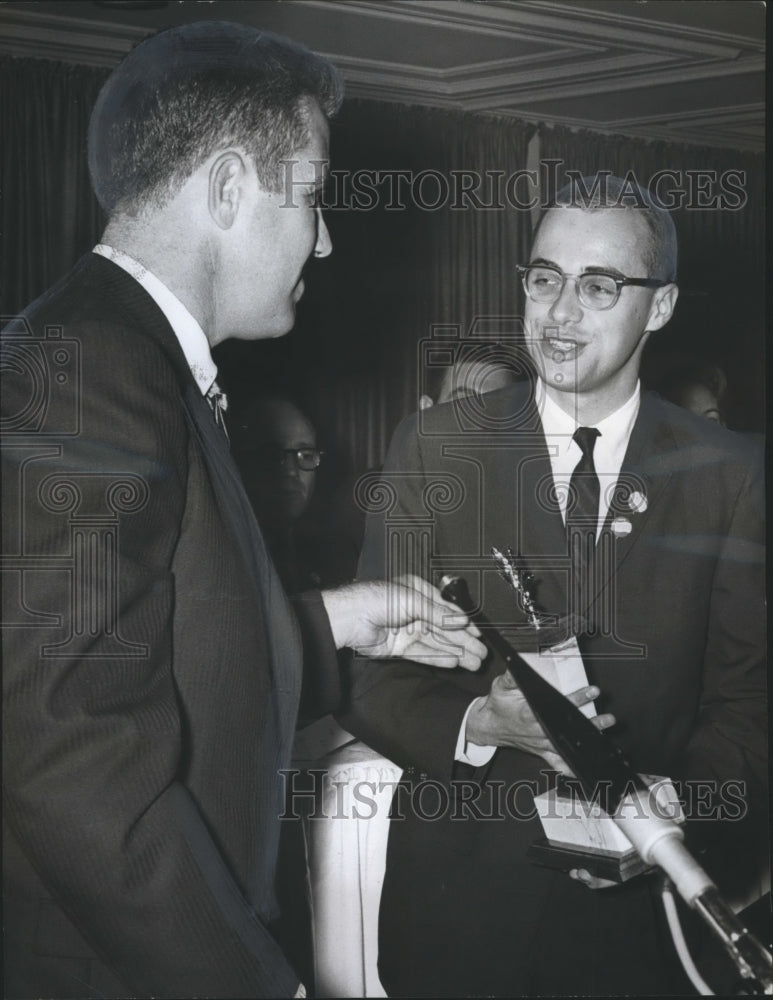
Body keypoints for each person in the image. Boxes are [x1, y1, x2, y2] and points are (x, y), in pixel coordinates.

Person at [0, 22, 486, 999]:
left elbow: (159, 655)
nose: (327, 235)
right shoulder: (96, 367)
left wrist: (335, 617)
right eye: (312, 196)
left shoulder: (126, 358)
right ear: (227, 189)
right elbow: (68, 743)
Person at [340, 175, 767, 996]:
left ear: (662, 305)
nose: (560, 312)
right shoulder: (435, 447)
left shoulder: (732, 473)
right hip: (463, 923)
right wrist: (476, 721)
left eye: (598, 285)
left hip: (645, 931)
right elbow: (362, 675)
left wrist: (668, 814)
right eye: (544, 279)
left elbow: (749, 702)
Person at [230, 395, 325, 592]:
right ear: (237, 462)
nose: (291, 471)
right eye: (271, 455)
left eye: (306, 455)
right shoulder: (228, 554)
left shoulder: (324, 553)